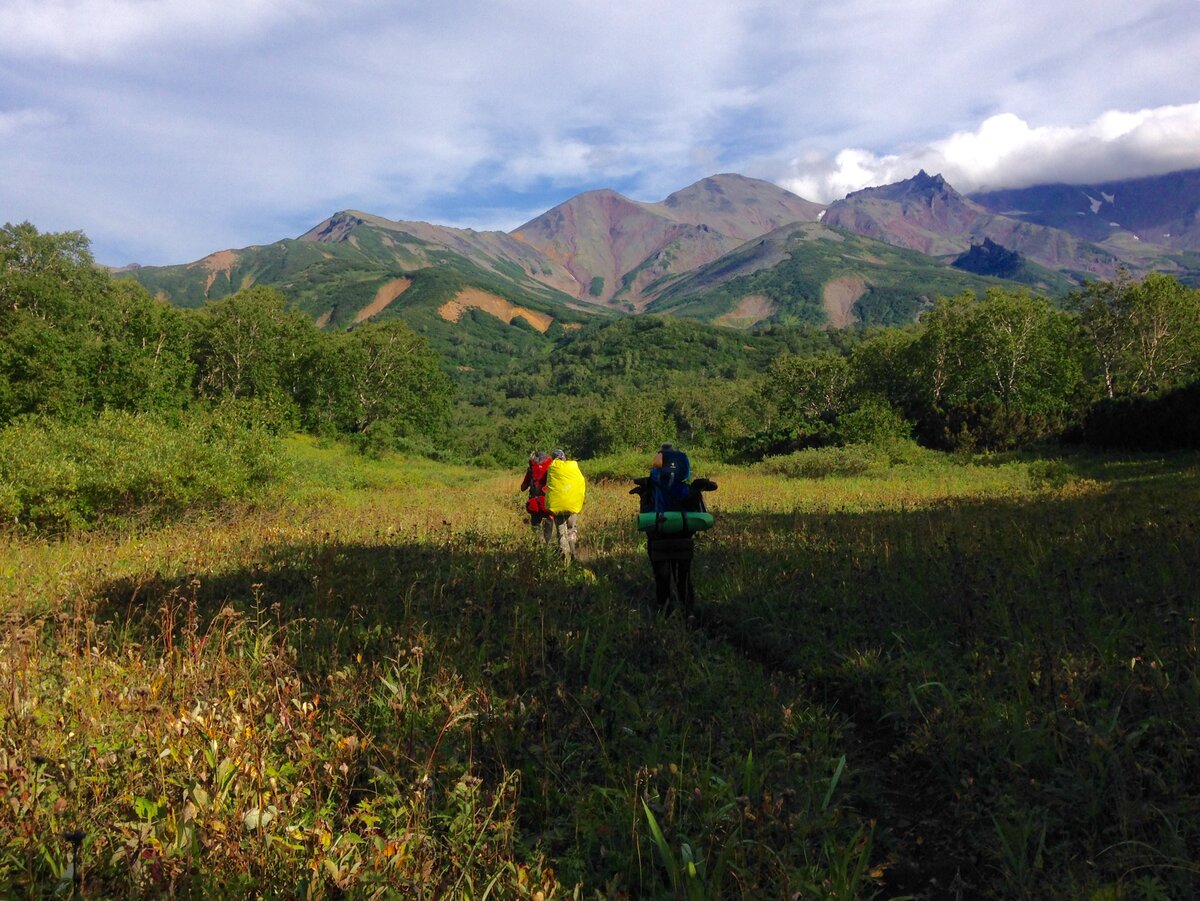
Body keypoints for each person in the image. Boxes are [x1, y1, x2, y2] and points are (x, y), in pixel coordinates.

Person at [631, 443, 716, 614]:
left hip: (658, 542)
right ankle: (689, 612)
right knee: (684, 578)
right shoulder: (691, 489)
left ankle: (665, 612)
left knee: (662, 580)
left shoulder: (649, 487)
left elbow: (646, 518)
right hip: (684, 540)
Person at [544, 448, 586, 560]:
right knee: (571, 529)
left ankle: (564, 556)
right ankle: (573, 553)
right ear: (564, 457)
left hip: (557, 508)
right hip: (572, 506)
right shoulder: (572, 467)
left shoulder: (552, 468)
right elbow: (580, 482)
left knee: (561, 532)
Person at [520, 451, 554, 542]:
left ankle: (539, 541)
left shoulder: (531, 468)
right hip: (547, 501)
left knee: (535, 523)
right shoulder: (551, 467)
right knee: (549, 521)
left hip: (534, 500)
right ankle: (547, 542)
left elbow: (523, 487)